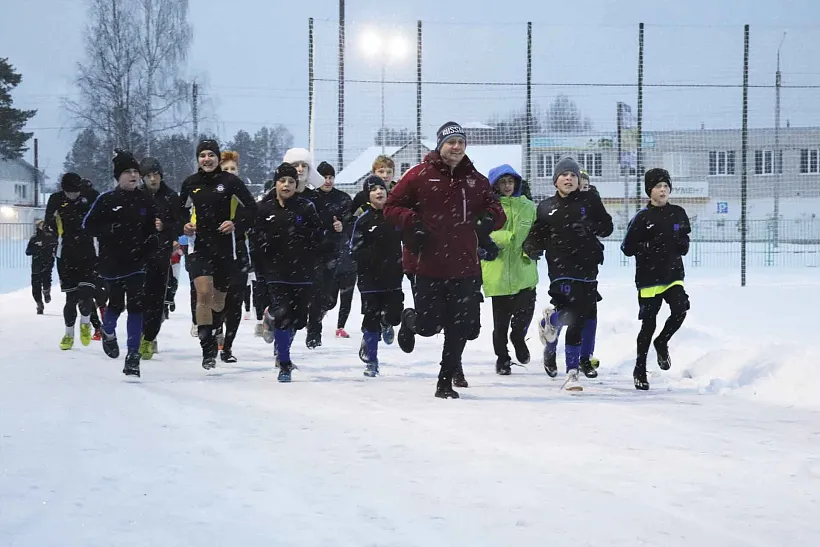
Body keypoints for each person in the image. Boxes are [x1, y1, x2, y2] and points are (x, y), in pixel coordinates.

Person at [385, 121, 506, 399]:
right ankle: (410, 319)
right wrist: (412, 221)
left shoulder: (476, 180)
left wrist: (489, 218)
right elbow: (392, 206)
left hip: (465, 265)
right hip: (428, 263)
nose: (456, 147)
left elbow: (496, 210)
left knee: (461, 326)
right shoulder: (418, 175)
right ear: (440, 146)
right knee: (429, 326)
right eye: (451, 142)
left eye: (461, 142)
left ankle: (444, 381)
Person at [523, 157, 613, 392]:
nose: (569, 178)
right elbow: (538, 234)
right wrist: (531, 246)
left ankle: (551, 327)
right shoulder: (545, 207)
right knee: (575, 314)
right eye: (564, 175)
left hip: (588, 266)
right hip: (561, 268)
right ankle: (572, 372)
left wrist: (591, 226)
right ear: (556, 181)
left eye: (573, 175)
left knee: (583, 314)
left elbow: (607, 227)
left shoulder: (589, 200)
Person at [179, 139, 257, 370]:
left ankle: (213, 331)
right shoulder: (190, 183)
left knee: (219, 300)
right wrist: (184, 225)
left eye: (211, 155)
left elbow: (252, 209)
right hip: (199, 248)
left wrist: (235, 224)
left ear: (217, 158)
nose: (207, 159)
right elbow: (177, 210)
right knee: (203, 294)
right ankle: (207, 348)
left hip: (225, 249)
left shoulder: (230, 182)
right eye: (202, 155)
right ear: (198, 159)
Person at [82, 149, 159, 377]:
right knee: (116, 303)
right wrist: (109, 229)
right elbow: (88, 225)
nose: (134, 175)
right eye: (128, 172)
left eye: (136, 171)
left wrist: (151, 245)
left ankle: (133, 355)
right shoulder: (106, 199)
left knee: (136, 306)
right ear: (118, 176)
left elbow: (151, 229)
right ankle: (108, 331)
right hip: (112, 262)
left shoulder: (145, 199)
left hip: (137, 262)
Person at [621, 168, 691, 390]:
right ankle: (640, 368)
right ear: (649, 190)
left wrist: (683, 244)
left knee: (681, 308)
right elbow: (627, 247)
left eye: (666, 186)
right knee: (648, 324)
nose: (663, 190)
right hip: (649, 278)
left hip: (673, 275)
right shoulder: (642, 218)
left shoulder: (678, 213)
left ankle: (662, 341)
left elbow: (684, 237)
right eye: (658, 186)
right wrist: (647, 247)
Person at [253, 163, 324, 382]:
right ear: (275, 184)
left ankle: (277, 332)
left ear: (297, 185)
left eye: (291, 181)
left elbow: (319, 235)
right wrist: (263, 254)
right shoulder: (264, 209)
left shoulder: (306, 207)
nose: (286, 185)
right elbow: (255, 239)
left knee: (298, 319)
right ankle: (284, 362)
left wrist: (305, 235)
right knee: (283, 314)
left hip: (302, 271)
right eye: (282, 181)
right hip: (276, 272)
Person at [481, 165, 538, 376]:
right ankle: (502, 358)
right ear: (495, 185)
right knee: (501, 322)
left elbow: (538, 231)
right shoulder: (488, 207)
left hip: (524, 270)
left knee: (525, 313)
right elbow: (482, 233)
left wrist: (535, 243)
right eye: (502, 182)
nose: (507, 186)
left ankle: (519, 338)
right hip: (499, 270)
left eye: (510, 182)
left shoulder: (529, 206)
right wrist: (506, 238)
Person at [350, 175, 404, 377]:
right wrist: (372, 258)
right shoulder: (363, 221)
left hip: (393, 276)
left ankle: (386, 322)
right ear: (367, 196)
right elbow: (353, 249)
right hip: (370, 279)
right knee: (371, 317)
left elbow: (409, 241)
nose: (379, 192)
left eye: (382, 188)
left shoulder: (396, 217)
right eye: (373, 190)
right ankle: (371, 360)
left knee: (394, 315)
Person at [45, 173, 100, 350]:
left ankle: (86, 323)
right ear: (63, 190)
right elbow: (48, 223)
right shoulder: (55, 199)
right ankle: (68, 334)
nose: (73, 196)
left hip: (88, 251)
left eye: (76, 192)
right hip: (65, 253)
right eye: (69, 193)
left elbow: (103, 217)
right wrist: (52, 234)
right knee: (71, 298)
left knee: (86, 294)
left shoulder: (91, 196)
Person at [304, 160, 355, 347]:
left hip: (333, 252)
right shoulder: (310, 197)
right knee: (315, 293)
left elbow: (351, 221)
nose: (327, 181)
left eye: (331, 177)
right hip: (311, 251)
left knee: (328, 299)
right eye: (324, 177)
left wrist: (342, 226)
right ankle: (313, 332)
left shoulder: (342, 198)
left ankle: (314, 320)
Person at [137, 157, 181, 360]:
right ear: (142, 178)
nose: (153, 179)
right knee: (138, 299)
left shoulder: (171, 197)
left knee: (155, 299)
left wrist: (165, 227)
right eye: (148, 176)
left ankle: (149, 338)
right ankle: (138, 334)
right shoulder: (136, 196)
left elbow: (180, 224)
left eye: (156, 175)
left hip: (161, 254)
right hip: (138, 255)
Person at [213, 150, 252, 363]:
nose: (229, 172)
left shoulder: (243, 194)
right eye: (225, 169)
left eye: (233, 169)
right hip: (216, 253)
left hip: (239, 254)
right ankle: (215, 330)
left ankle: (227, 347)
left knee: (235, 302)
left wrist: (237, 225)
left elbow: (254, 215)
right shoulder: (212, 193)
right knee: (218, 300)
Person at [26, 219, 57, 314]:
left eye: (44, 225)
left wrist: (47, 248)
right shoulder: (34, 238)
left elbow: (55, 247)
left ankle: (46, 292)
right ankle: (39, 304)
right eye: (41, 225)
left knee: (46, 281)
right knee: (35, 287)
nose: (43, 227)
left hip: (47, 264)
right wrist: (37, 247)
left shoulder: (51, 237)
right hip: (36, 265)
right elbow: (28, 251)